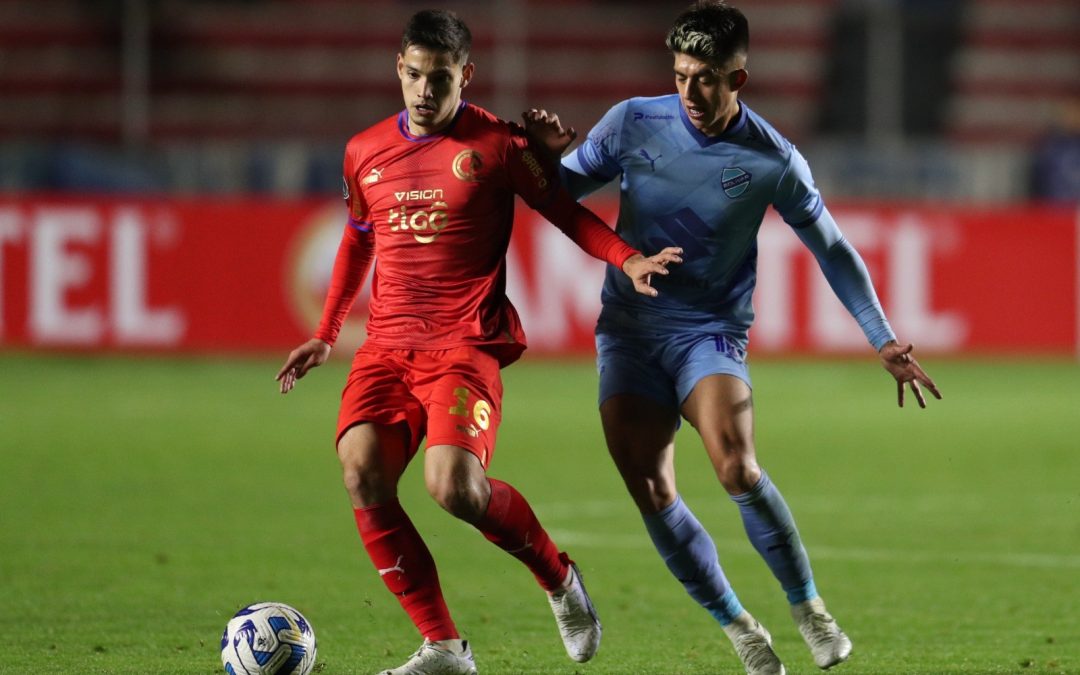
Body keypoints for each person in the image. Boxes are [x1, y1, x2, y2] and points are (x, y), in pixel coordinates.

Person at [524, 2, 941, 674]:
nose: (689, 90)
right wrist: (543, 164)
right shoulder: (634, 120)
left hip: (708, 332)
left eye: (706, 78)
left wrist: (883, 338)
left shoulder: (773, 159)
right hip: (629, 331)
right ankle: (740, 626)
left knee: (736, 464)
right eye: (682, 74)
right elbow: (560, 194)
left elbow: (832, 248)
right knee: (651, 488)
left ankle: (808, 608)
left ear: (738, 80)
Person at [275, 9, 680, 675]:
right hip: (385, 348)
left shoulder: (497, 147)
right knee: (360, 469)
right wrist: (325, 332)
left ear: (466, 75)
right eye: (413, 75)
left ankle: (558, 577)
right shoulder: (363, 150)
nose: (425, 91)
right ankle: (444, 647)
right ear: (398, 72)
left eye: (440, 77)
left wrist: (626, 258)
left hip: (465, 346)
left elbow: (567, 213)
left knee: (455, 487)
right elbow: (357, 238)